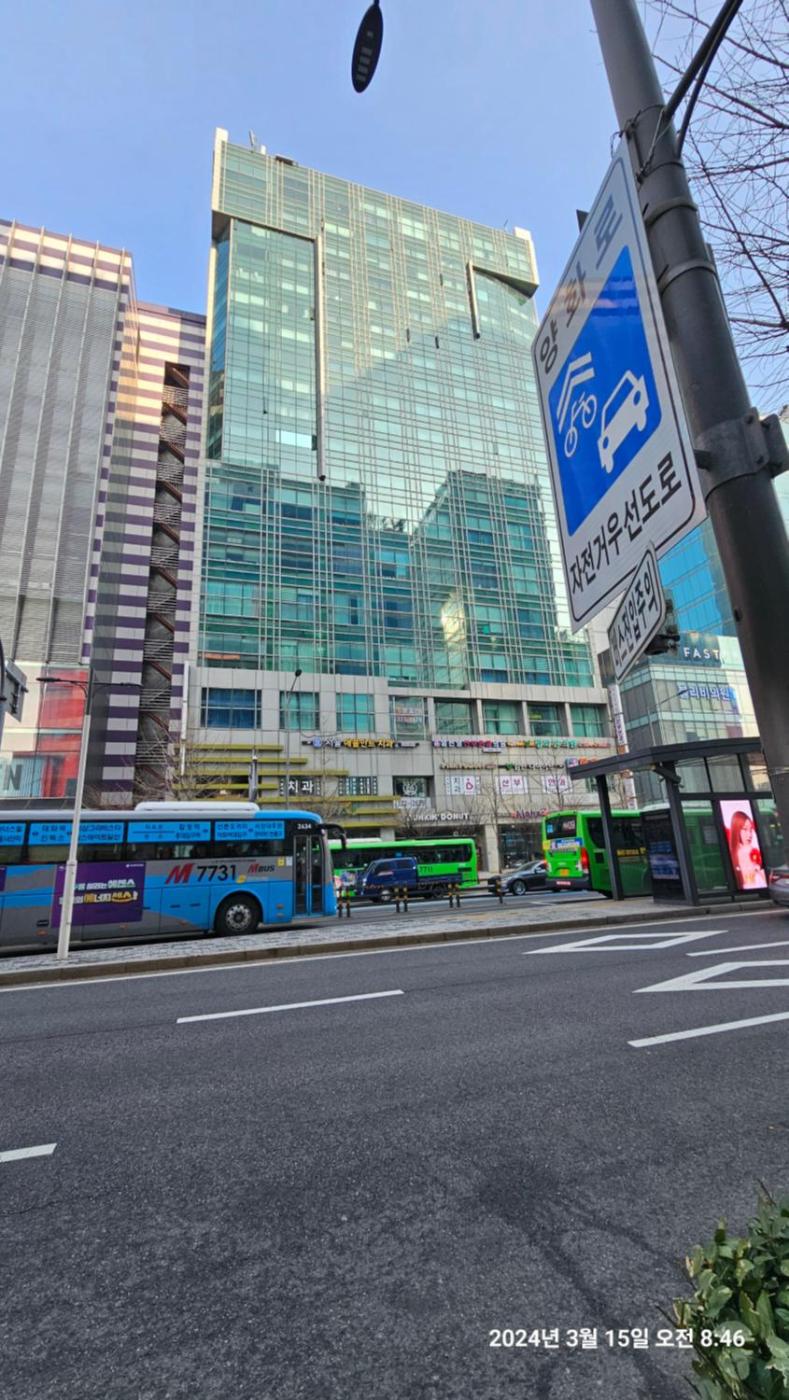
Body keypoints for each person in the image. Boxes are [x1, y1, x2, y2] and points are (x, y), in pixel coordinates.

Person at [728, 810, 767, 890]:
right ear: (736, 829)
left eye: (750, 830)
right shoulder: (748, 850)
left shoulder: (736, 852)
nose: (749, 835)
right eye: (745, 829)